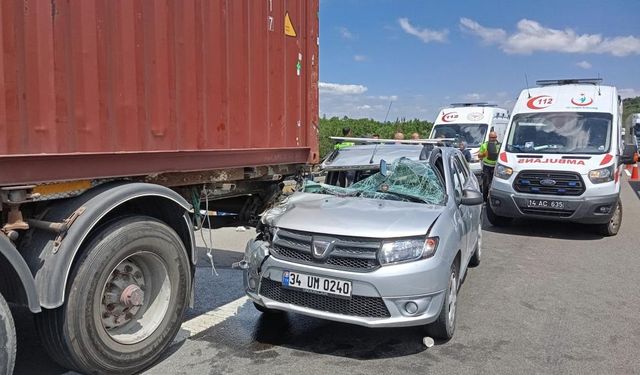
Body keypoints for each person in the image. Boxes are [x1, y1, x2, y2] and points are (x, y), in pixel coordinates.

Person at [477, 131, 500, 200]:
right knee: (486, 183)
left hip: (496, 167)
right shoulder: (484, 145)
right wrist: (484, 154)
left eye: (494, 137)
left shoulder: (500, 145)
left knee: (497, 184)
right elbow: (479, 156)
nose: (493, 139)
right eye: (492, 137)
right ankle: (485, 199)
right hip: (487, 167)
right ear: (489, 137)